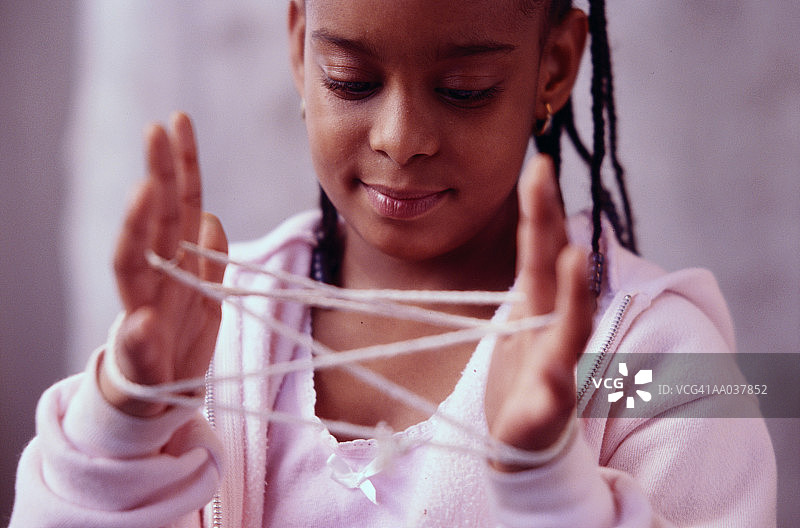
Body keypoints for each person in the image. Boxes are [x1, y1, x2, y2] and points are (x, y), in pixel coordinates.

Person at [11, 0, 776, 526]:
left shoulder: (662, 366)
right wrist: (124, 423)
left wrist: (551, 485)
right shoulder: (208, 329)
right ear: (298, 43)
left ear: (555, 65)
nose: (400, 137)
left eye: (463, 89)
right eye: (352, 80)